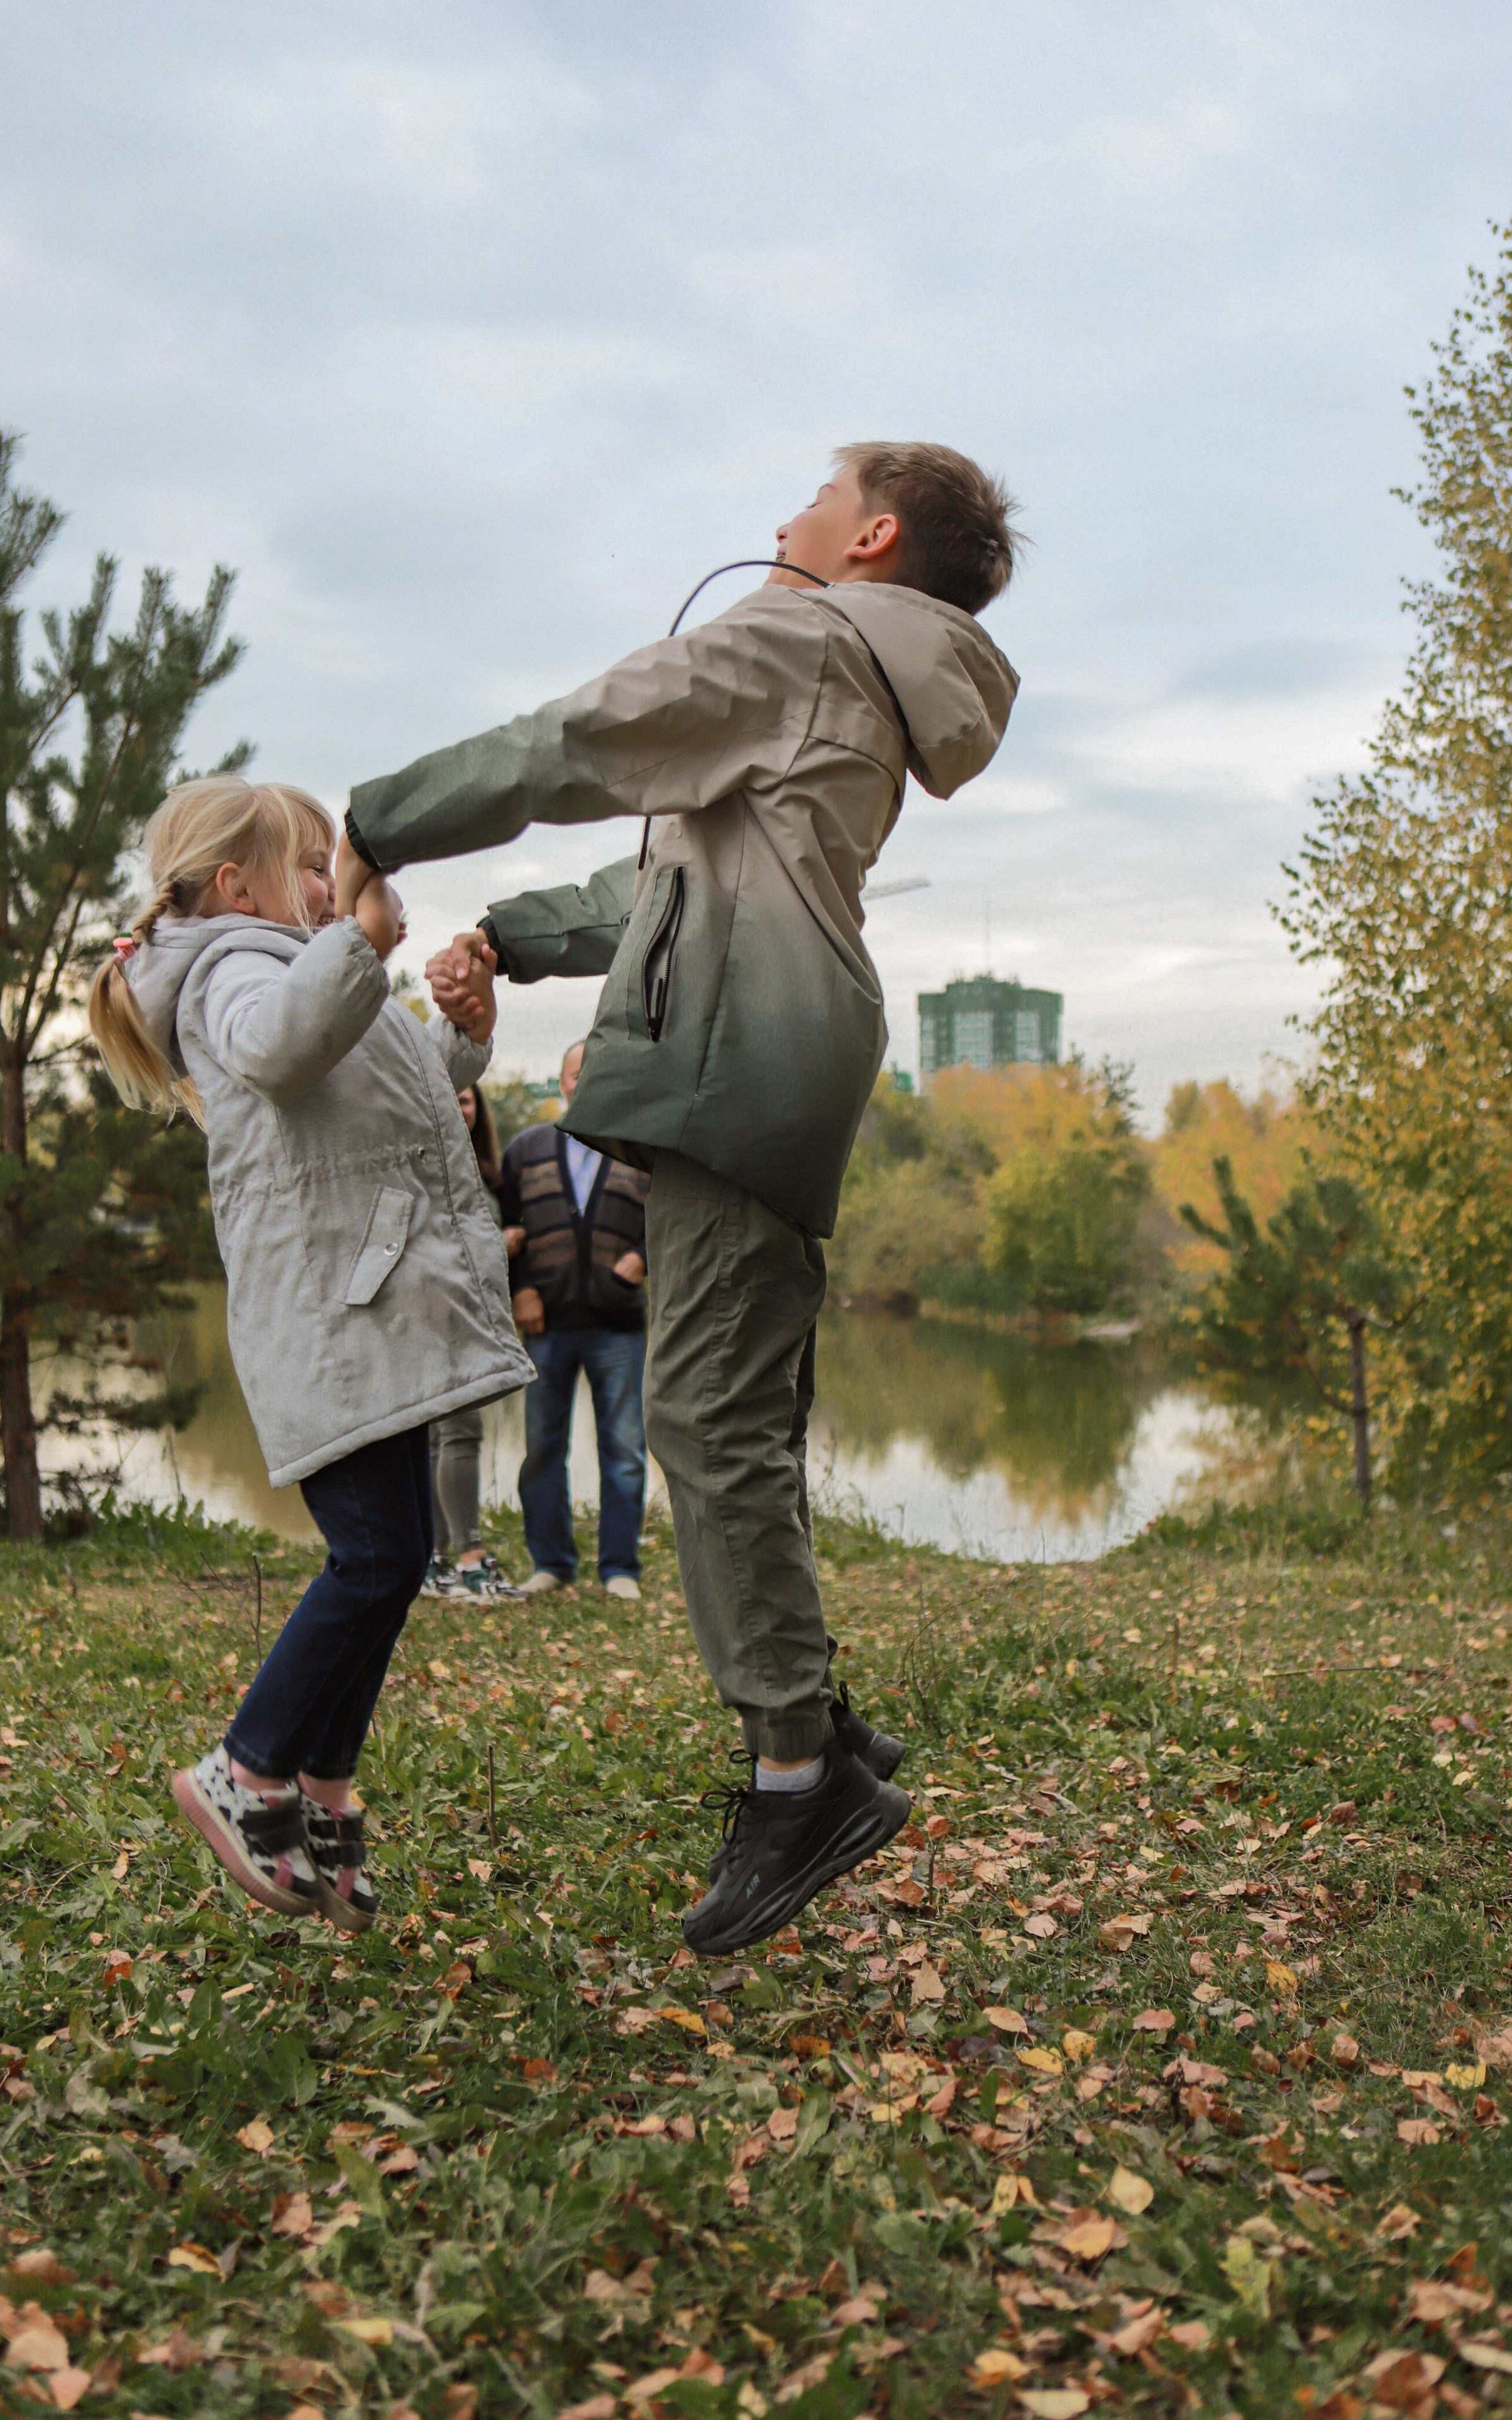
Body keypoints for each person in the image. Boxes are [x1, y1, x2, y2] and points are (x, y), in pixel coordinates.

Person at [338, 443, 1020, 1953]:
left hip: (736, 1062)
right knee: (748, 1418)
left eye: (813, 499)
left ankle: (795, 1775)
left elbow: (578, 736)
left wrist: (373, 822)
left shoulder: (804, 634)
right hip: (779, 1047)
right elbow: (677, 892)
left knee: (702, 1423)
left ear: (871, 535)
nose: (782, 519)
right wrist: (515, 939)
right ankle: (819, 1726)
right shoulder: (860, 673)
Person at [89, 777, 533, 1931]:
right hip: (329, 1315)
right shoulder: (234, 974)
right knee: (379, 1556)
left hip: (368, 1302)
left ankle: (323, 1792)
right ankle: (245, 1766)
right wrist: (359, 944)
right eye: (317, 866)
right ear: (238, 885)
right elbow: (285, 1052)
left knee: (398, 1551)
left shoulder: (295, 965)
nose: (336, 885)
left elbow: (398, 1094)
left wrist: (463, 1033)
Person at [497, 1040, 651, 1598]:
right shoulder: (526, 1150)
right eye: (575, 1072)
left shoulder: (643, 1149)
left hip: (619, 1326)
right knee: (542, 1448)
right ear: (562, 1082)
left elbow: (674, 1217)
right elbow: (505, 1228)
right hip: (547, 1326)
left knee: (626, 1450)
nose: (584, 1081)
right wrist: (521, 1291)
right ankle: (552, 1563)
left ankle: (619, 1570)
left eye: (596, 1073)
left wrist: (644, 1256)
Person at [423, 1080, 526, 1602]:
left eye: (467, 1099)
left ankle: (437, 1560)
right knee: (460, 1433)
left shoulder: (483, 1170)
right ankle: (470, 1562)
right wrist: (500, 1246)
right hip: (440, 1314)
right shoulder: (425, 1163)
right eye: (451, 1097)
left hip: (473, 1315)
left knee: (444, 1437)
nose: (459, 1107)